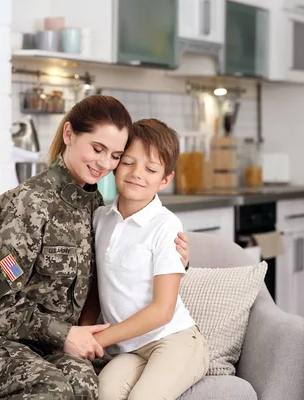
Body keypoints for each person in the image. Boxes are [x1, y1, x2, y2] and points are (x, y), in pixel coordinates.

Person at [0, 95, 190, 400]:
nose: (104, 163)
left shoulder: (96, 208)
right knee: (52, 388)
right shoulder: (29, 205)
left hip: (48, 348)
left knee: (87, 387)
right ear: (69, 134)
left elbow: (120, 266)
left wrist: (177, 257)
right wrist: (63, 334)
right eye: (97, 149)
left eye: (114, 155)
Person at [90, 119, 209, 400]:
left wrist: (97, 341)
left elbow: (162, 311)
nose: (137, 174)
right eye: (128, 162)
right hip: (130, 349)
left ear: (165, 179)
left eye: (151, 169)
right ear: (115, 163)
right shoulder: (100, 219)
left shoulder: (165, 225)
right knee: (103, 392)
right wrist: (85, 332)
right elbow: (96, 285)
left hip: (175, 341)